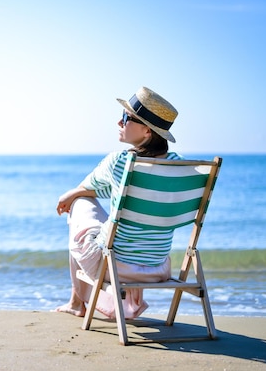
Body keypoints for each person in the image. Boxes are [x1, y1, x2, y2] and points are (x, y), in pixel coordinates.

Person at [54, 86, 181, 319]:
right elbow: (108, 191)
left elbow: (87, 188)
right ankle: (89, 302)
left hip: (114, 267)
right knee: (114, 224)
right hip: (158, 269)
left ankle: (76, 303)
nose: (119, 122)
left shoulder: (120, 162)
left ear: (146, 131)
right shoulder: (180, 167)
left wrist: (70, 195)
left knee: (79, 203)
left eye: (126, 118)